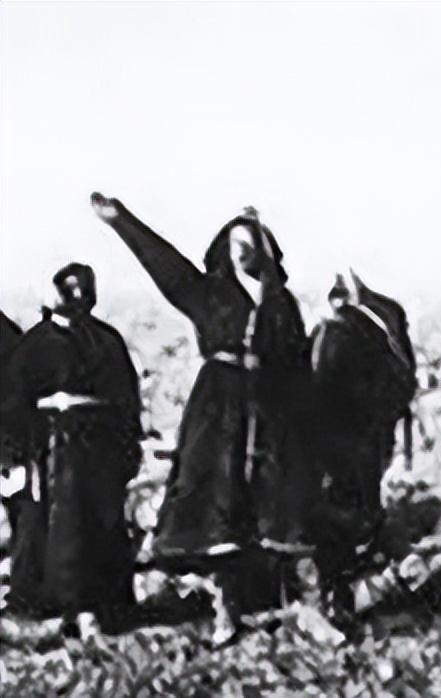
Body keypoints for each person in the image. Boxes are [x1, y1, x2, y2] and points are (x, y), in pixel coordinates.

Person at [89, 193, 318, 644]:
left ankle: (301, 607)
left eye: (250, 242)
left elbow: (298, 362)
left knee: (277, 506)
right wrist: (122, 220)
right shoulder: (208, 293)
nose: (243, 250)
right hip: (220, 410)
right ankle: (224, 610)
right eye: (235, 243)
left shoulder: (280, 302)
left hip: (271, 408)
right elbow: (166, 265)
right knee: (220, 506)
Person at [0, 264, 141, 636]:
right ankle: (64, 608)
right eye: (68, 288)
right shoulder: (34, 345)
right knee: (61, 528)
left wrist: (129, 445)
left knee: (101, 525)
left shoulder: (108, 341)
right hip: (54, 449)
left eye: (83, 289)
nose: (77, 296)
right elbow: (14, 403)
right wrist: (19, 451)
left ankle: (100, 608)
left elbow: (126, 398)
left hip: (99, 447)